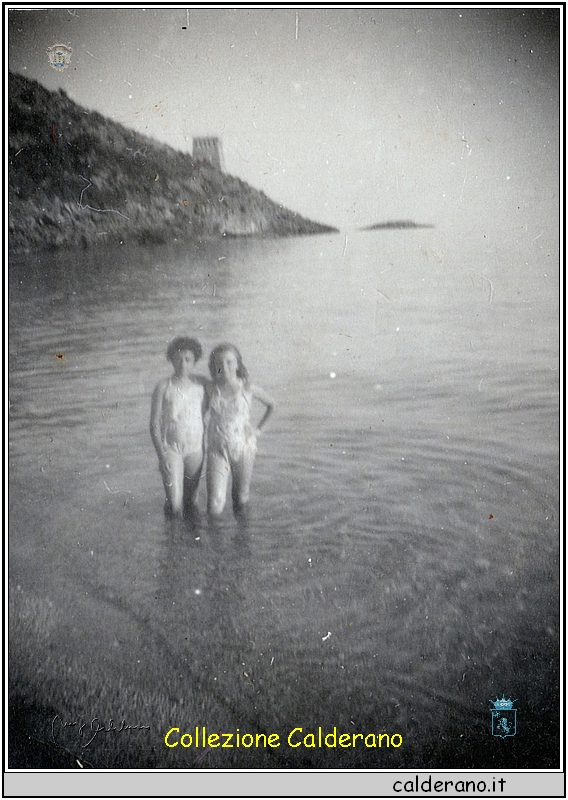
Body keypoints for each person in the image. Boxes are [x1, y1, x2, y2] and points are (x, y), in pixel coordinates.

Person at [206, 343, 274, 516]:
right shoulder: (210, 388)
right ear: (214, 366)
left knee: (241, 497)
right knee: (215, 502)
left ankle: (242, 539)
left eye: (229, 362)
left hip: (243, 447)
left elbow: (272, 405)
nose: (224, 366)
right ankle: (214, 539)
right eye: (219, 363)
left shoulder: (247, 388)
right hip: (217, 447)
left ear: (238, 364)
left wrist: (259, 431)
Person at [150, 337, 210, 517]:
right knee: (175, 504)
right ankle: (172, 541)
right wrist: (161, 457)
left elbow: (206, 411)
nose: (183, 364)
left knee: (191, 500)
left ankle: (191, 541)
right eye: (178, 359)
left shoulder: (202, 384)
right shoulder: (163, 386)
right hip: (171, 449)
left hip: (195, 450)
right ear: (171, 360)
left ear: (195, 361)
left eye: (188, 359)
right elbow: (154, 425)